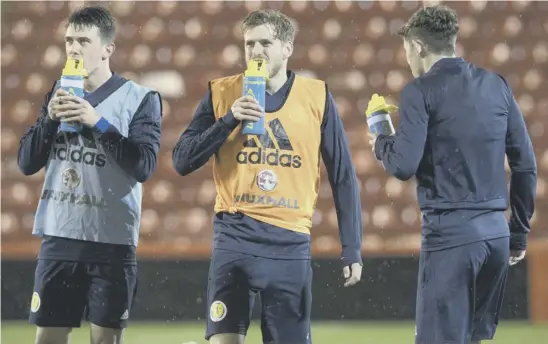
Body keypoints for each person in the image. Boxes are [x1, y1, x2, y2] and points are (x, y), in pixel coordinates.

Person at [172, 9, 363, 344]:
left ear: (287, 47)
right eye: (249, 44)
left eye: (265, 43)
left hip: (289, 242)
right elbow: (182, 160)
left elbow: (343, 175)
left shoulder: (316, 96)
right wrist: (228, 120)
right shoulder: (222, 93)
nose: (256, 51)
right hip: (235, 235)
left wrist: (352, 247)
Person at [368, 5, 537, 344]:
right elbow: (525, 165)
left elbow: (403, 165)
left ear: (417, 46)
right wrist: (518, 232)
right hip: (495, 237)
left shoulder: (420, 90)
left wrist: (381, 141)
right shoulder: (496, 85)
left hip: (452, 237)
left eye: (406, 50)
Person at [18, 5, 163, 344]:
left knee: (105, 341)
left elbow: (143, 166)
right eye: (69, 40)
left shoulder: (141, 99)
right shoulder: (59, 90)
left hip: (111, 242)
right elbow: (26, 163)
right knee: (48, 338)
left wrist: (96, 121)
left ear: (107, 50)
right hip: (60, 235)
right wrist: (49, 120)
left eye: (83, 40)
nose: (73, 48)